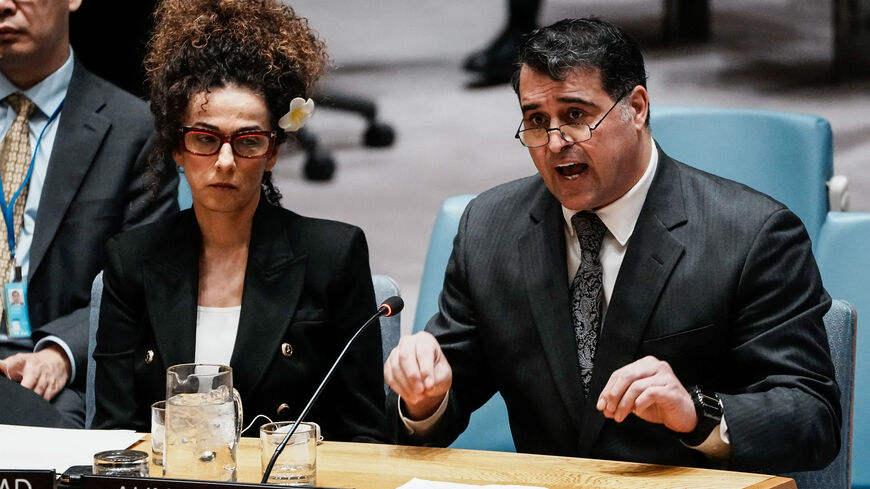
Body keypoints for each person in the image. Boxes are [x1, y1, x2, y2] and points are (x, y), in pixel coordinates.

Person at [384, 18, 840, 473]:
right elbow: (437, 400)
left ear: (636, 108)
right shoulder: (490, 227)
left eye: (577, 116)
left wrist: (697, 412)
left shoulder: (751, 234)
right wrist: (425, 400)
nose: (556, 143)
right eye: (536, 121)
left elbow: (812, 416)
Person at [91, 0, 388, 443]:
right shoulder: (131, 261)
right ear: (177, 146)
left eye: (248, 141)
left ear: (273, 151)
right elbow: (113, 437)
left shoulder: (333, 256)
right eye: (205, 139)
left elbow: (366, 438)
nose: (225, 162)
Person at [0, 0, 178, 427]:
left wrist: (61, 352)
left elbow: (143, 281)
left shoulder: (135, 132)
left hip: (46, 369)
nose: (4, 5)